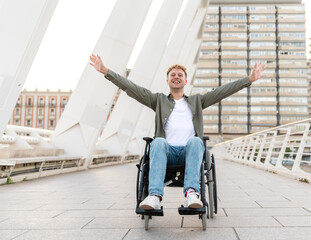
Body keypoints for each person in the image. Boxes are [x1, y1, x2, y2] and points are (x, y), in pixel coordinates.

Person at [89, 54, 265, 210]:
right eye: (172, 75)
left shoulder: (197, 101)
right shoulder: (158, 100)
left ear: (185, 81)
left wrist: (249, 79)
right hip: (167, 153)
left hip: (190, 151)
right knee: (157, 141)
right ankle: (155, 196)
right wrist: (106, 71)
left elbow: (222, 92)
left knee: (197, 141)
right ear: (167, 80)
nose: (176, 77)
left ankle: (191, 193)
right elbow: (132, 88)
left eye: (180, 75)